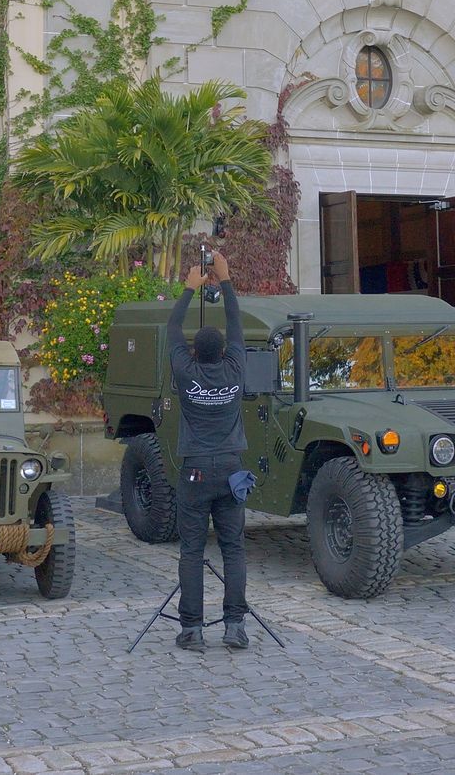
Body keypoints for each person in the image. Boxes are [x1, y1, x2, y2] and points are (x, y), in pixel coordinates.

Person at [166, 248, 252, 651]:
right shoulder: (236, 367)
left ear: (194, 353)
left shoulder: (186, 371)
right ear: (224, 352)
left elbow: (171, 329)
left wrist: (189, 288)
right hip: (232, 470)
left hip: (195, 471)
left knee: (191, 550)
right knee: (233, 549)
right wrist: (226, 279)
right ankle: (234, 627)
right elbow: (236, 325)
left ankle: (192, 630)